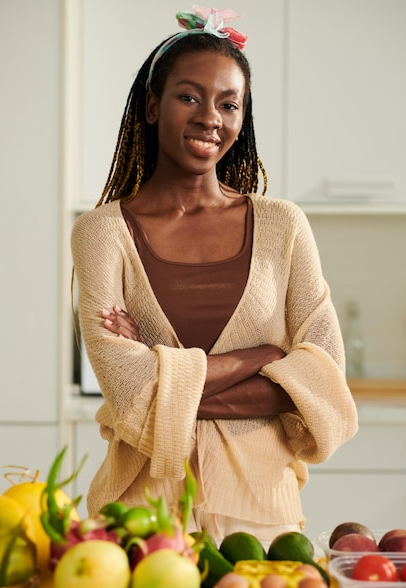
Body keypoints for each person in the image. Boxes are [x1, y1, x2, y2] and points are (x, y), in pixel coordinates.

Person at [71, 6, 358, 544]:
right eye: (189, 97)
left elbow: (323, 382)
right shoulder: (101, 233)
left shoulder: (283, 227)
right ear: (153, 105)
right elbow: (125, 387)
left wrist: (164, 384)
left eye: (229, 103)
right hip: (141, 515)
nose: (211, 117)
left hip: (263, 515)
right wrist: (265, 362)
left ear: (242, 117)